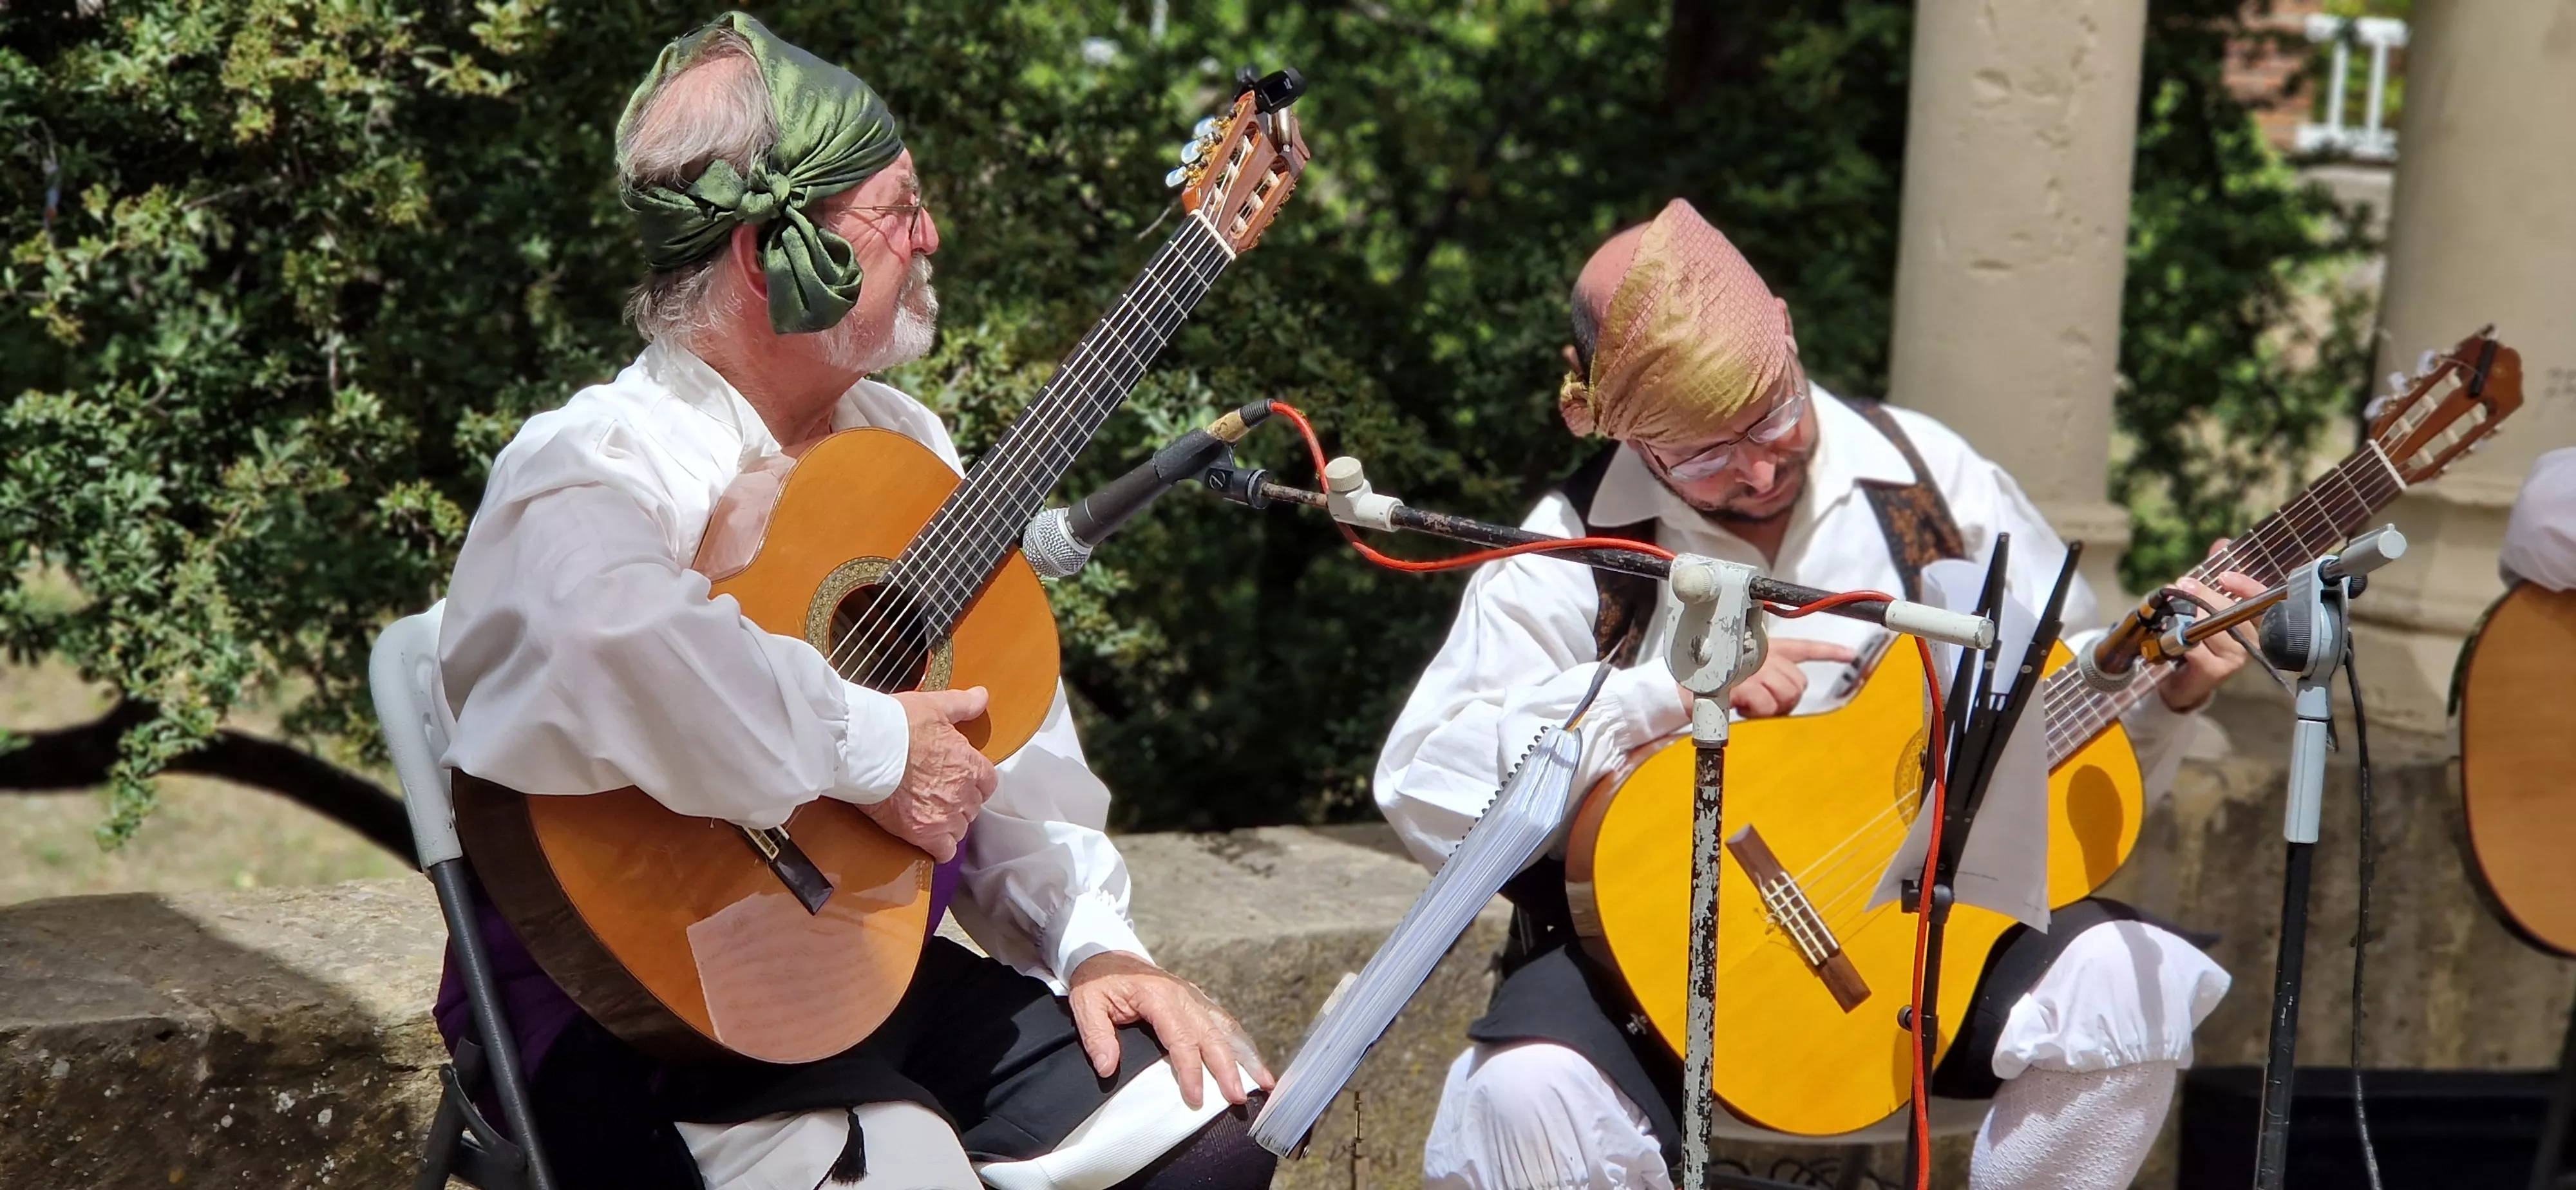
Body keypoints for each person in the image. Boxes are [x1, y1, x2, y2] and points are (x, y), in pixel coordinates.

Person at [430, 15, 1274, 1189]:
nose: (929, 236)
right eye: (896, 209)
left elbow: (995, 735)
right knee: (908, 1167)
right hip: (632, 1012)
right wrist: (869, 749)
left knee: (1211, 1128)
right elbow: (605, 632)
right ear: (763, 251)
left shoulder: (901, 442)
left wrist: (1090, 945)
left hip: (861, 973)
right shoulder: (599, 457)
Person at [1376, 200, 2262, 1190]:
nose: (1757, 470)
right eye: (1706, 457)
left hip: (1928, 956)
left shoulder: (1933, 482)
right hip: (1658, 977)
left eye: (1772, 419)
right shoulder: (1575, 551)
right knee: (1523, 1094)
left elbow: (2055, 715)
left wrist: (2162, 697)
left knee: (2128, 983)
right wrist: (1662, 694)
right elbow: (1422, 786)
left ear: (1789, 338)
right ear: (1630, 438)